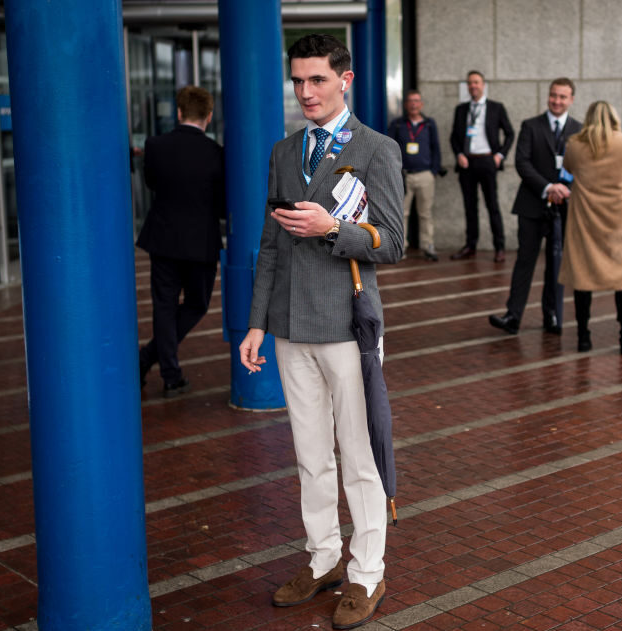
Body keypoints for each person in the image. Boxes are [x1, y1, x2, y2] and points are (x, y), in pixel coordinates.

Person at [238, 34, 403, 629]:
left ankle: (367, 572)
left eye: (317, 81)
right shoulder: (285, 151)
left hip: (346, 323)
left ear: (346, 79)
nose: (305, 92)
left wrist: (334, 227)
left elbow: (395, 241)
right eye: (298, 81)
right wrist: (256, 323)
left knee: (358, 455)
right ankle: (324, 558)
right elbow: (270, 244)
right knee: (310, 456)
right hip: (287, 326)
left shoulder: (377, 149)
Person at [137, 85, 224, 397]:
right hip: (202, 244)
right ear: (209, 117)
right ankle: (155, 364)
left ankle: (164, 370)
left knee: (164, 305)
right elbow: (223, 203)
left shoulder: (155, 145)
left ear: (179, 113)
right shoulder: (217, 154)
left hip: (163, 240)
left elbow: (151, 183)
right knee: (197, 304)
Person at [489, 77, 581, 335]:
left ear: (571, 99)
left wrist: (565, 190)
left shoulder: (579, 130)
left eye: (563, 97)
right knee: (524, 262)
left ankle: (552, 315)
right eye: (554, 95)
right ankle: (513, 316)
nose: (557, 100)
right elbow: (522, 163)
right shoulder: (531, 126)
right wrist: (548, 187)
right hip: (532, 205)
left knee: (557, 264)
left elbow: (584, 168)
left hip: (564, 207)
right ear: (548, 96)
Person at [558, 101, 622, 355]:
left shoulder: (575, 144)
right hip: (619, 220)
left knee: (583, 279)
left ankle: (584, 337)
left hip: (585, 220)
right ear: (613, 118)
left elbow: (569, 168)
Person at [449, 70, 515, 262]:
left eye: (476, 82)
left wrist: (500, 155)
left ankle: (500, 247)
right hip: (467, 162)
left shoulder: (496, 108)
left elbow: (510, 133)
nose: (473, 86)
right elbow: (454, 137)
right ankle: (471, 246)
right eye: (470, 83)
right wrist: (459, 154)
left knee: (492, 205)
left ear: (483, 85)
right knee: (470, 207)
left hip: (488, 161)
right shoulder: (461, 109)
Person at [388, 89, 442, 261]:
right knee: (402, 213)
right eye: (410, 101)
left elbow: (436, 148)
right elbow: (389, 149)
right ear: (406, 104)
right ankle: (401, 246)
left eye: (416, 101)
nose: (413, 104)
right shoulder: (398, 124)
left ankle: (428, 245)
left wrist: (433, 171)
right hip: (403, 176)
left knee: (425, 213)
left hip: (425, 175)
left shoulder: (429, 124)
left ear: (421, 104)